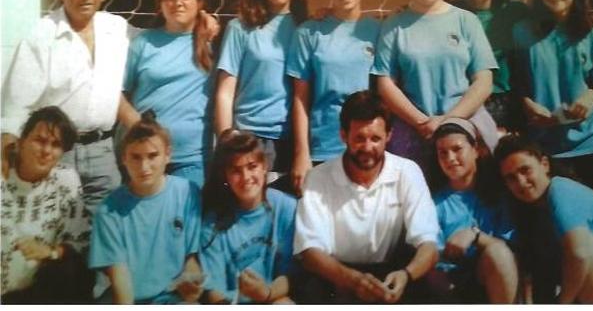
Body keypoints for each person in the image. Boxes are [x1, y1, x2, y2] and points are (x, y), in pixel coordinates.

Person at [1, 0, 220, 213]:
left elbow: (164, 37)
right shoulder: (40, 35)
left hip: (103, 153)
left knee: (102, 228)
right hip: (56, 149)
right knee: (51, 225)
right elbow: (17, 102)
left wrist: (203, 20)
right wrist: (7, 146)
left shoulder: (115, 28)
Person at [294, 91, 439, 304]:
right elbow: (310, 252)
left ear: (389, 136)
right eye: (359, 138)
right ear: (343, 135)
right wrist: (352, 281)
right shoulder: (318, 178)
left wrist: (407, 275)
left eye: (376, 138)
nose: (367, 148)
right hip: (335, 277)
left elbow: (429, 243)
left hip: (391, 276)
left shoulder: (407, 171)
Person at [371, 0, 498, 174]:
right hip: (414, 131)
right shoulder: (394, 24)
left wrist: (449, 120)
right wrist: (421, 121)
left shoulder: (466, 20)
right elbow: (385, 83)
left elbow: (484, 80)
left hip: (465, 127)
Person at [512, 0, 593, 198]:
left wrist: (591, 96)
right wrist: (527, 104)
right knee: (558, 226)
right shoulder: (523, 32)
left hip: (591, 142)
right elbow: (518, 85)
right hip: (544, 146)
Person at [214, 0, 308, 190]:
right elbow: (225, 91)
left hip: (292, 139)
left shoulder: (306, 27)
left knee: (283, 211)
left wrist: (302, 147)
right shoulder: (240, 27)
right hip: (249, 136)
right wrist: (227, 140)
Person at [287, 0, 381, 194]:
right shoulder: (308, 32)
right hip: (324, 145)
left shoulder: (379, 31)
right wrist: (302, 153)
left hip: (368, 146)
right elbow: (300, 98)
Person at [89, 113, 202, 304]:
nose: (144, 166)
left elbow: (191, 257)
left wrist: (192, 283)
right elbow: (120, 280)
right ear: (123, 158)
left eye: (152, 156)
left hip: (172, 299)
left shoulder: (187, 192)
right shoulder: (108, 210)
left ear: (168, 154)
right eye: (136, 157)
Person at [495, 134, 593, 304]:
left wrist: (562, 303)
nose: (521, 182)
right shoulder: (529, 208)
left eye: (525, 170)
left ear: (544, 164)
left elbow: (579, 254)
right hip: (586, 281)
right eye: (511, 178)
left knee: (587, 247)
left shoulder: (560, 189)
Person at [119, 0, 216, 188]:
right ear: (160, 3)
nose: (177, 2)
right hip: (146, 156)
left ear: (199, 2)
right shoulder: (142, 43)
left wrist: (206, 19)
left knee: (187, 220)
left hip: (193, 158)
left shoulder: (212, 44)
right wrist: (138, 126)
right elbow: (118, 94)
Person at [1, 106, 91, 304]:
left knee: (72, 272)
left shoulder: (65, 180)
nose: (46, 151)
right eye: (39, 140)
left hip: (38, 289)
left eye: (56, 144)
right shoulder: (3, 174)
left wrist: (51, 251)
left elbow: (80, 242)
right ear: (21, 141)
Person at [198, 129, 297, 304]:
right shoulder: (213, 222)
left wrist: (266, 293)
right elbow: (214, 291)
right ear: (225, 176)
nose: (246, 177)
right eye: (236, 170)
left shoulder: (286, 207)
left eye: (252, 167)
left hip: (272, 296)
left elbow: (290, 274)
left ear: (265, 166)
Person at [428, 117, 517, 303]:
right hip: (455, 286)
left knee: (498, 253)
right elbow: (432, 261)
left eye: (457, 149)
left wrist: (475, 236)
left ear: (475, 149)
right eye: (442, 153)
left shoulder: (498, 194)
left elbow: (509, 248)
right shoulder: (434, 204)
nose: (450, 159)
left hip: (498, 277)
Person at [452, 0, 530, 133]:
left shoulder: (515, 11)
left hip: (507, 103)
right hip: (463, 103)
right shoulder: (449, 13)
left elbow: (557, 27)